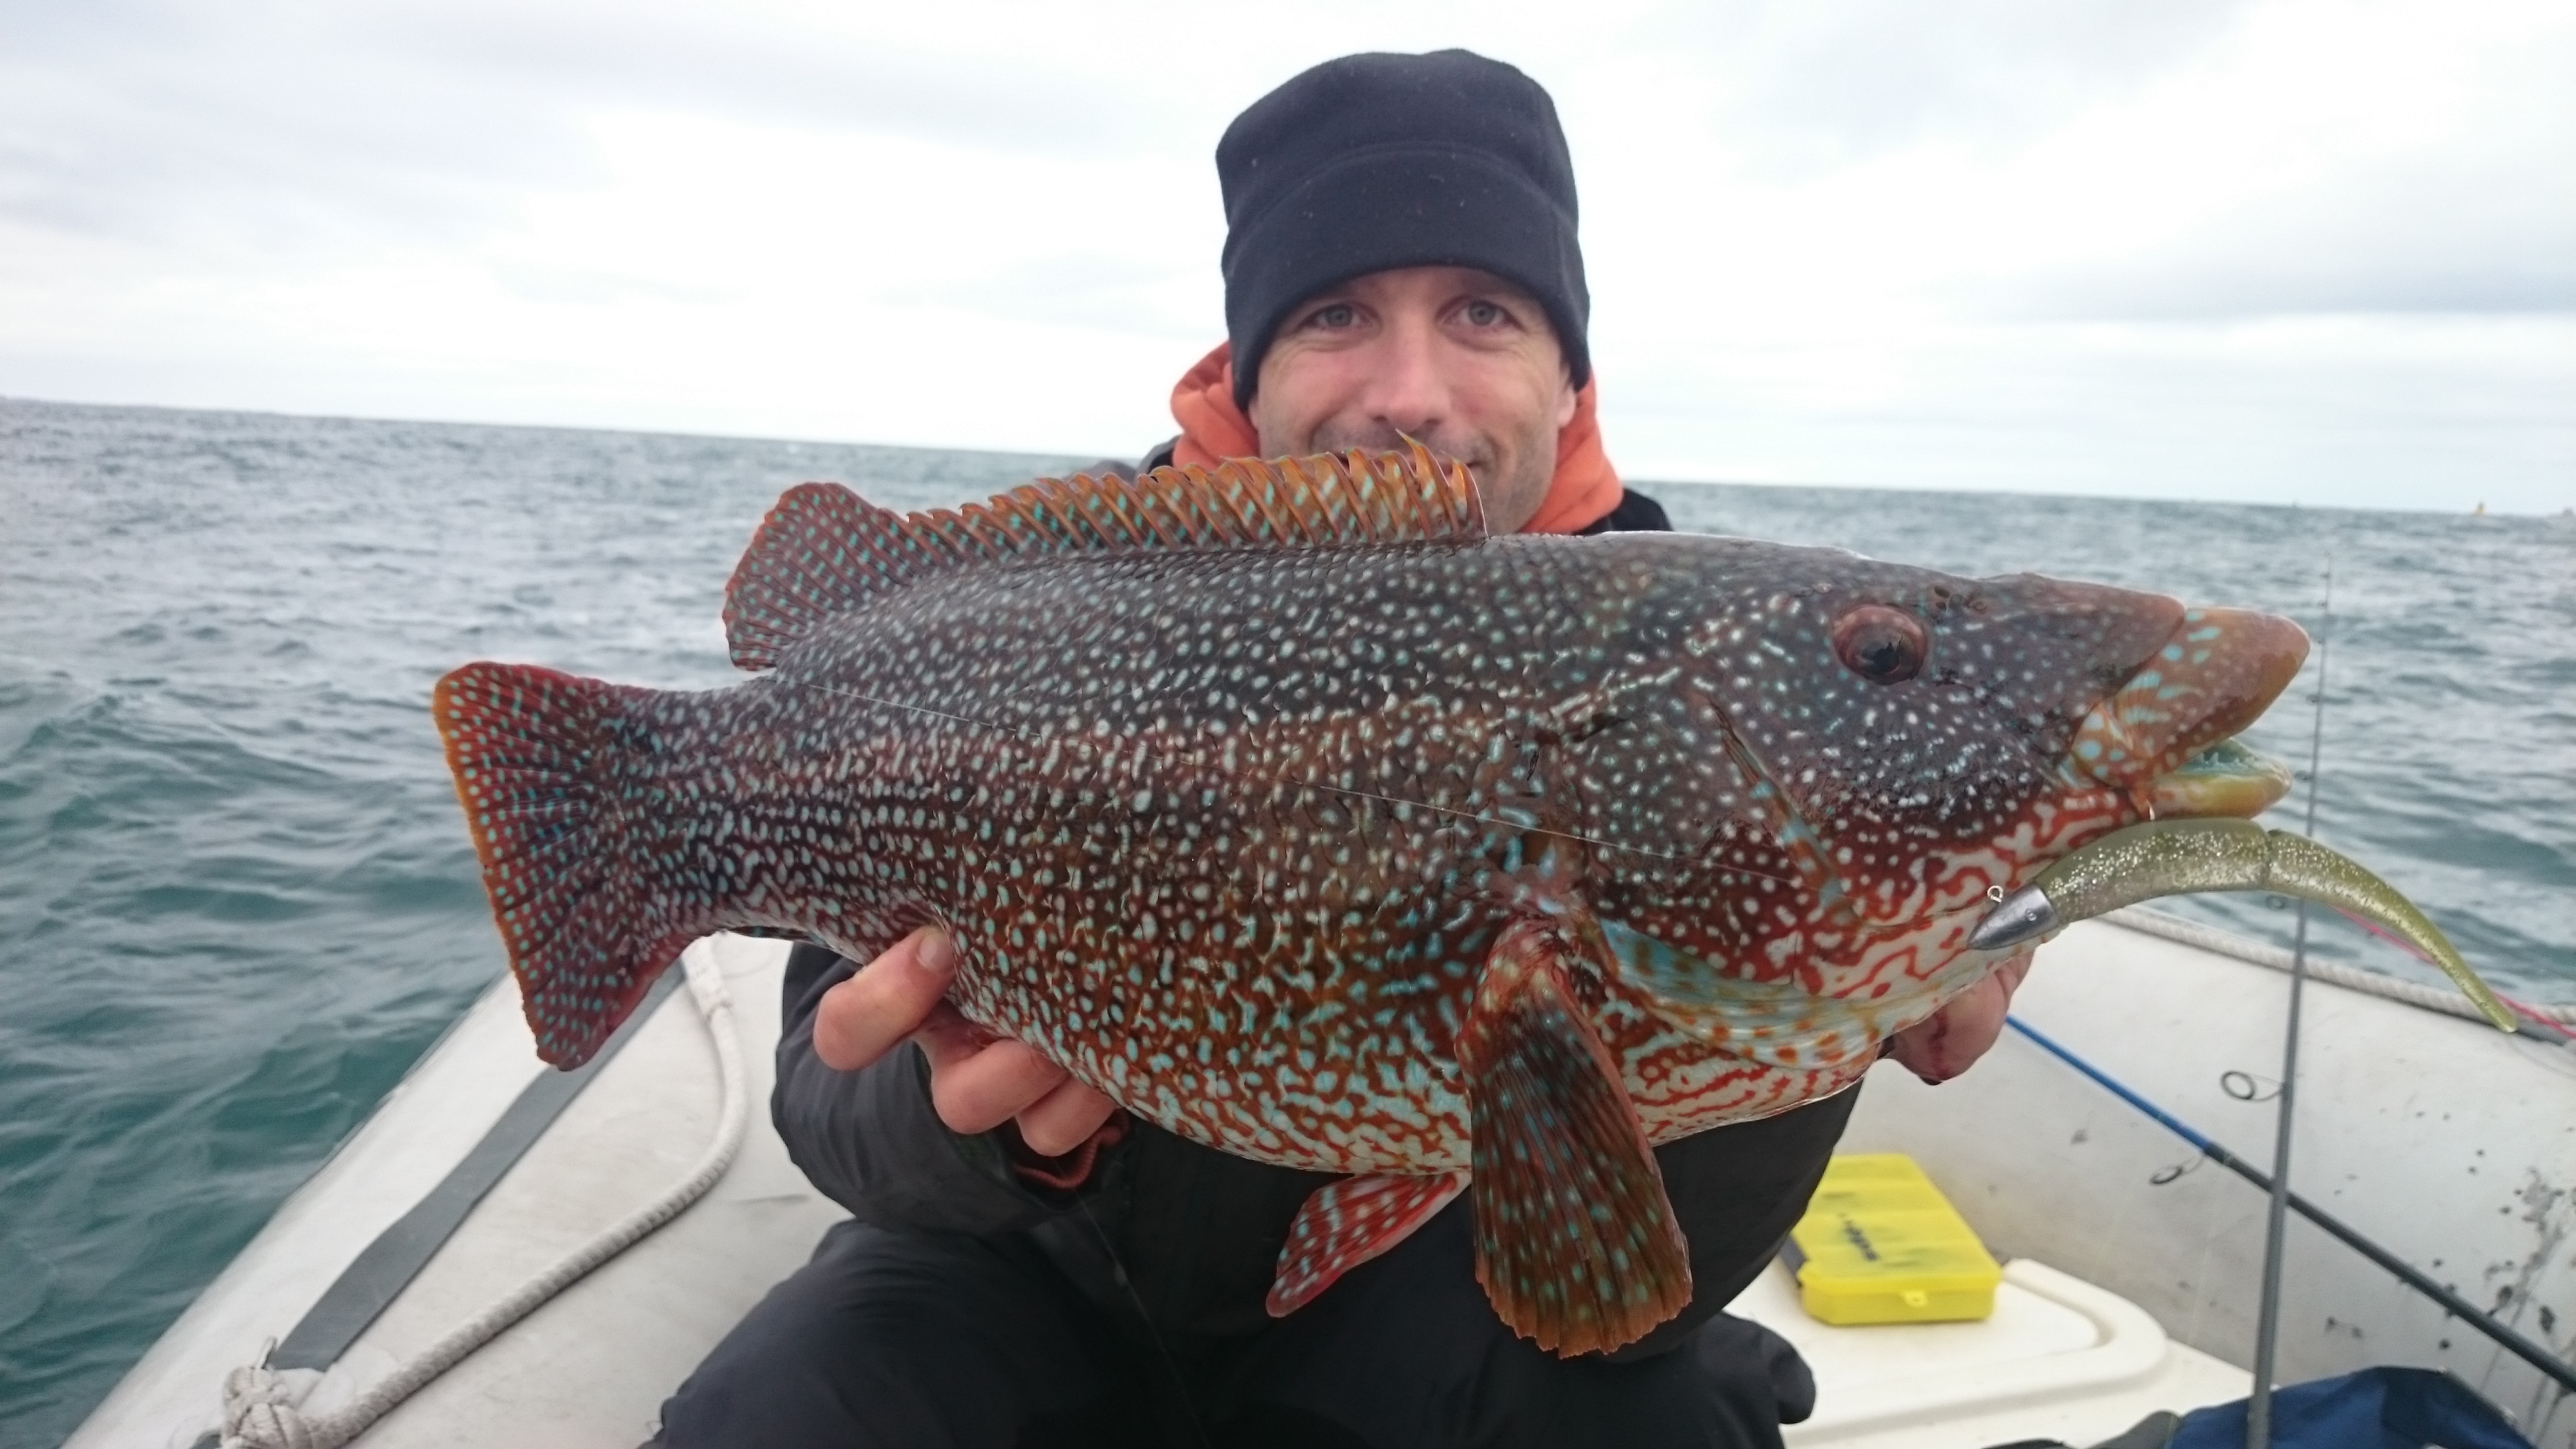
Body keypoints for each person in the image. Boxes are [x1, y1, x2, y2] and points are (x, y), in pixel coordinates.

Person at [651, 49, 2029, 1449]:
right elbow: (832, 1099)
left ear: (1570, 381)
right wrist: (980, 1129)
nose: (1409, 391)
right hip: (1030, 1278)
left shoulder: (1709, 653)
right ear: (1251, 376)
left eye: (1484, 312)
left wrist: (1849, 987)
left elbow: (1638, 1300)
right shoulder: (1059, 620)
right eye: (1336, 315)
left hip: (1447, 1308)